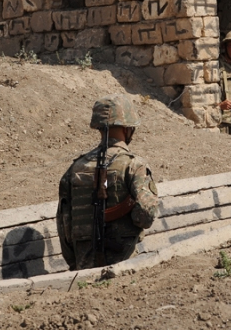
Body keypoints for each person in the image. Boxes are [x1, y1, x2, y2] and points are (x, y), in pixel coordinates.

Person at [56, 94, 158, 270]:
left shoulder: (75, 168)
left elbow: (64, 225)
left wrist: (76, 263)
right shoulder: (133, 165)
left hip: (84, 265)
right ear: (127, 128)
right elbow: (146, 216)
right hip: (125, 263)